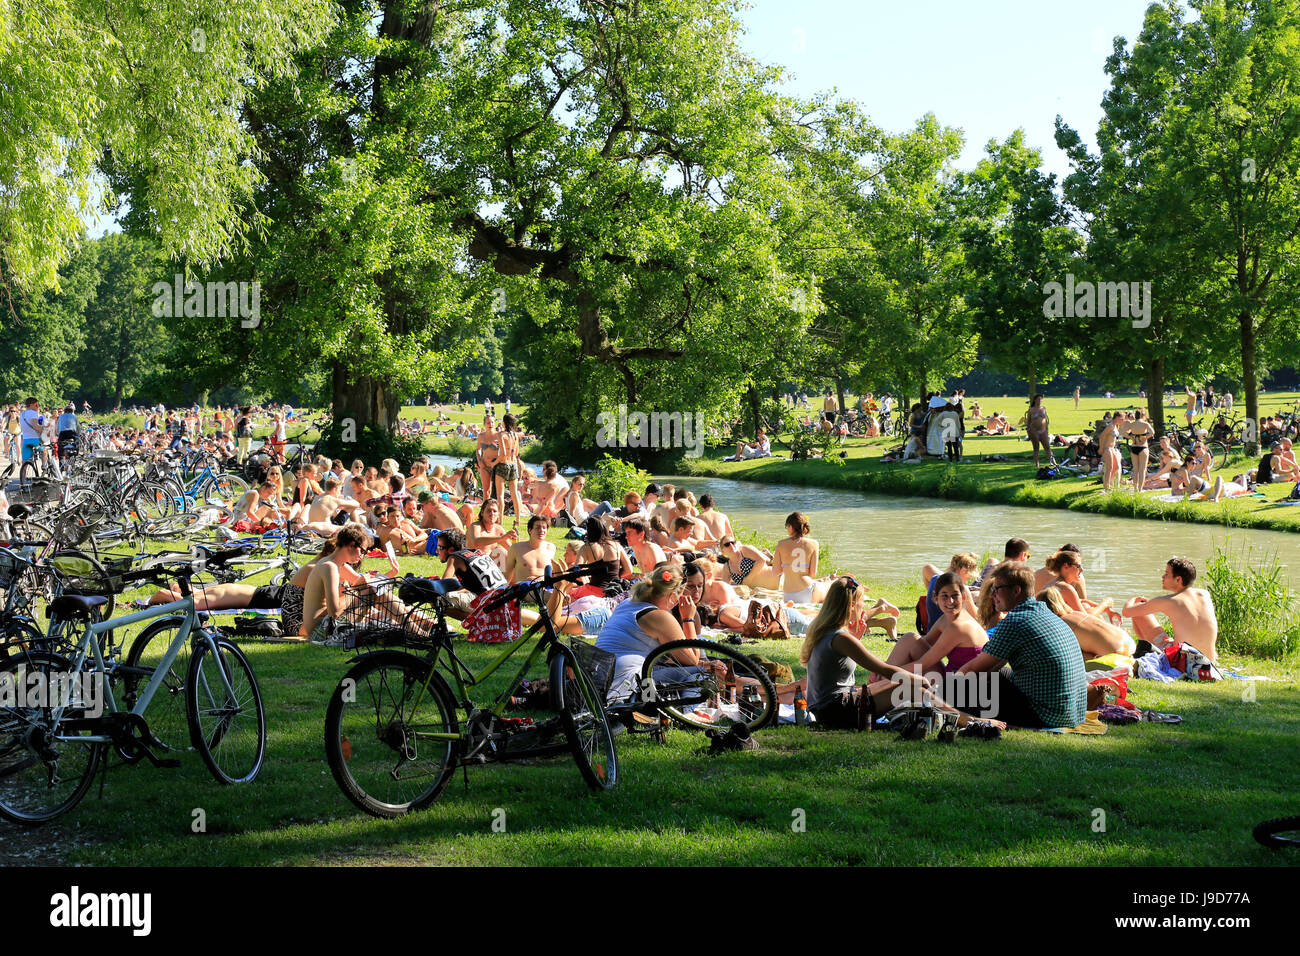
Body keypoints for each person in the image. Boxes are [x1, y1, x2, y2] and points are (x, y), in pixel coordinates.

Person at [800, 577, 993, 732]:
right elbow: (882, 668)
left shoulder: (823, 629)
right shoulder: (841, 638)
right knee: (910, 688)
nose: (863, 609)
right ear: (851, 605)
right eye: (861, 604)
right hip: (837, 711)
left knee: (896, 683)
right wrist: (916, 679)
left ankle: (957, 715)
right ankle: (968, 721)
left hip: (826, 708)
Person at [955, 562, 1088, 729]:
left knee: (955, 689)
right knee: (997, 673)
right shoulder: (1045, 612)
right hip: (1073, 713)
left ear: (1016, 590)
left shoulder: (1014, 621)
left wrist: (946, 688)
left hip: (1045, 716)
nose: (992, 595)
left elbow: (971, 670)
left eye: (997, 589)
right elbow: (994, 664)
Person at [886, 572, 989, 675]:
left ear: (963, 597)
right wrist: (885, 667)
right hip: (953, 675)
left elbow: (922, 663)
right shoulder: (946, 619)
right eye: (945, 596)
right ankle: (879, 681)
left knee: (887, 678)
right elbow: (923, 643)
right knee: (910, 638)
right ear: (936, 598)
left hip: (966, 686)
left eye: (955, 596)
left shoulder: (958, 626)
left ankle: (878, 683)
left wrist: (884, 672)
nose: (950, 601)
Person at [1122, 557, 1220, 662]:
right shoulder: (1204, 594)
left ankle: (1143, 652)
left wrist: (1134, 599)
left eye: (1167, 574)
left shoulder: (1169, 601)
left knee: (1139, 609)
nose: (1163, 576)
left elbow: (1126, 612)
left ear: (1178, 579)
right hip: (1209, 663)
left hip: (1182, 664)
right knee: (1172, 641)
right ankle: (1144, 652)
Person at [1036, 587, 1136, 659]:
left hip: (1119, 653)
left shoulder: (1059, 623)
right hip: (1129, 643)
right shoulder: (1076, 613)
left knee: (1073, 654)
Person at [773, 511, 830, 604]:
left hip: (788, 594)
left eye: (787, 526)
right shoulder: (814, 544)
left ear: (791, 527)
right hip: (806, 591)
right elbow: (812, 573)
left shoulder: (781, 544)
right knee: (827, 585)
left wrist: (788, 566)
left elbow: (776, 571)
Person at [504, 515, 556, 584]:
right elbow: (507, 574)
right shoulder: (516, 548)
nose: (541, 530)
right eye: (538, 528)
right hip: (524, 589)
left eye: (544, 528)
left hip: (544, 589)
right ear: (530, 530)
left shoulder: (551, 548)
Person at [495, 414, 525, 530]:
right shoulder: (515, 436)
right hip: (513, 465)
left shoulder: (501, 434)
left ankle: (500, 522)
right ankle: (518, 520)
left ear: (504, 422)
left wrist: (493, 463)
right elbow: (516, 452)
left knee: (500, 495)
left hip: (503, 464)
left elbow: (502, 454)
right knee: (514, 494)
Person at [1124, 409, 1156, 493]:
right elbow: (1152, 432)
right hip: (1143, 446)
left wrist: (1131, 437)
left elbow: (1123, 432)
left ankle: (1135, 488)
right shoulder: (1145, 424)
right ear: (1143, 415)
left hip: (1134, 446)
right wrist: (1145, 437)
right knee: (1142, 469)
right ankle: (1140, 489)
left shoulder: (1132, 424)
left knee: (1135, 469)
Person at [1026, 394, 1051, 469]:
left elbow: (1046, 420)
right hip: (1034, 431)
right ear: (1035, 400)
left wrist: (1047, 430)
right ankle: (1037, 464)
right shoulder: (1031, 410)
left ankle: (1052, 462)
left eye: (1041, 399)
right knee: (1036, 448)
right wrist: (1029, 432)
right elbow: (1028, 422)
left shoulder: (1043, 408)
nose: (1040, 401)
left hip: (1043, 431)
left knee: (1047, 447)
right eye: (1038, 399)